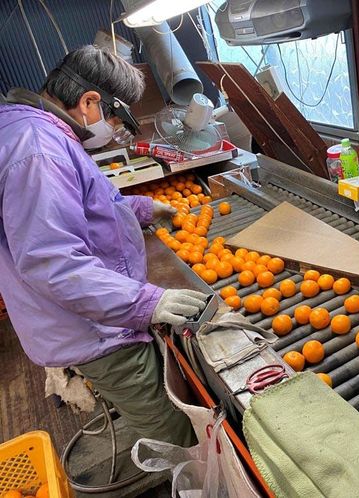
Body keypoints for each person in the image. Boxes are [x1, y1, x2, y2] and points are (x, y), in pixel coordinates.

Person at [0, 45, 207, 447]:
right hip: (95, 329)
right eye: (117, 117)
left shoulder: (30, 130)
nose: (115, 128)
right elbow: (52, 262)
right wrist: (146, 304)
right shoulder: (38, 150)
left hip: (93, 313)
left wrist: (143, 207)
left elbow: (78, 208)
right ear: (90, 101)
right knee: (176, 430)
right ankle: (195, 478)